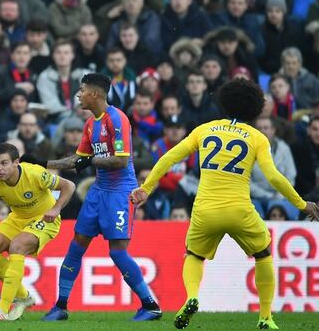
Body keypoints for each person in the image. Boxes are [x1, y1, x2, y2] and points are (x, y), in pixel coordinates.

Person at [132, 78, 319, 330]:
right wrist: (301, 204)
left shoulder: (204, 129)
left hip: (205, 210)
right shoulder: (257, 138)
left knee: (194, 255)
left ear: (223, 102)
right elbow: (274, 176)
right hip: (239, 209)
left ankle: (192, 297)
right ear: (255, 107)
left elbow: (169, 157)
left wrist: (146, 187)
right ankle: (265, 318)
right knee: (263, 254)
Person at [37, 73, 162, 322]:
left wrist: (91, 160)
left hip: (119, 193)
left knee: (117, 252)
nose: (78, 94)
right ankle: (60, 306)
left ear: (94, 93)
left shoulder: (117, 119)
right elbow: (77, 159)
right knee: (76, 244)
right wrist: (43, 163)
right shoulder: (90, 124)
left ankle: (150, 305)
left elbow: (121, 160)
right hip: (98, 191)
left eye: (81, 90)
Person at [0, 142, 75, 320]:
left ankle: (3, 308)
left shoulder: (34, 173)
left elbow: (69, 186)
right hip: (17, 218)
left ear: (16, 162)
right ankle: (23, 298)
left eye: (4, 163)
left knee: (17, 245)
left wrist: (56, 209)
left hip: (45, 219)